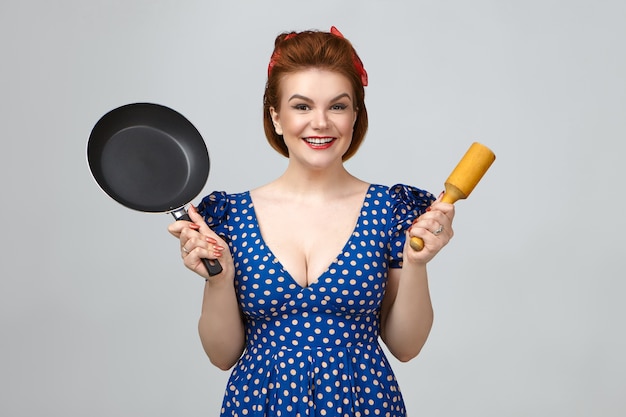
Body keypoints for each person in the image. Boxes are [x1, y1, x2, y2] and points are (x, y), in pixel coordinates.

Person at [168, 26, 454, 417]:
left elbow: (406, 347)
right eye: (302, 106)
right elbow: (222, 355)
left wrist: (417, 263)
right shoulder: (230, 216)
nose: (320, 122)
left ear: (355, 116)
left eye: (338, 106)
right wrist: (219, 280)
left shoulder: (391, 210)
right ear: (277, 117)